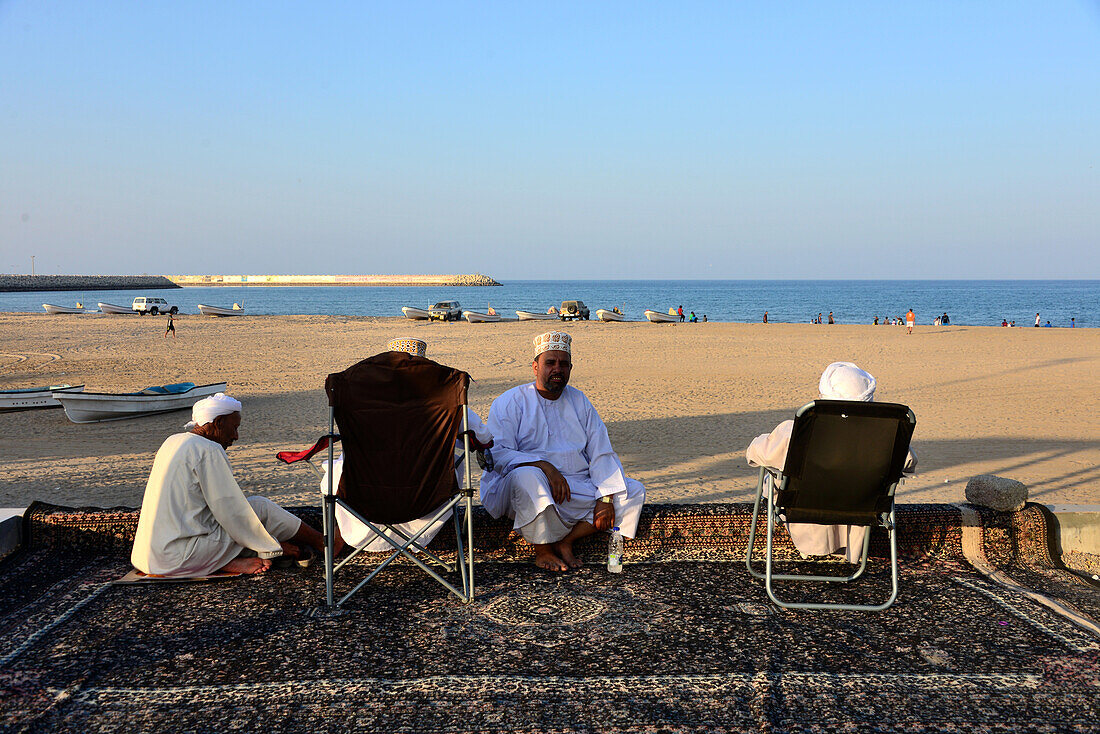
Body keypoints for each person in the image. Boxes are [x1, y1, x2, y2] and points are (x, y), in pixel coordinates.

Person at [480, 331, 645, 571]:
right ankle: (543, 550)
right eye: (550, 363)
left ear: (570, 368)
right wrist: (544, 467)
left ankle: (566, 541)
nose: (557, 369)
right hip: (521, 489)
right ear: (535, 367)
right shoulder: (510, 401)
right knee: (528, 477)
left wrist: (606, 497)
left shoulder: (579, 401)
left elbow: (601, 451)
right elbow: (497, 454)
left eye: (563, 364)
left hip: (573, 486)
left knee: (633, 490)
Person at [320, 338, 493, 553]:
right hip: (429, 497)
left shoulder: (362, 399)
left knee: (334, 476)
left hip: (363, 494)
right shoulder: (443, 398)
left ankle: (339, 540)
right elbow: (484, 438)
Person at [132, 394, 324, 577]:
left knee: (252, 518)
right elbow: (229, 511)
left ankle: (226, 560)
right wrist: (272, 547)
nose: (236, 436)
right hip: (178, 557)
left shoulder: (172, 441)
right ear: (218, 423)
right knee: (261, 508)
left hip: (146, 556)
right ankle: (323, 542)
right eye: (234, 427)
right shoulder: (208, 449)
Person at [746, 362, 917, 561]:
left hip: (805, 508)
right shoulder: (885, 438)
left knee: (772, 478)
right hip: (859, 508)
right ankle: (846, 545)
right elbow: (909, 463)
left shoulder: (796, 432)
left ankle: (815, 543)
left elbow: (754, 453)